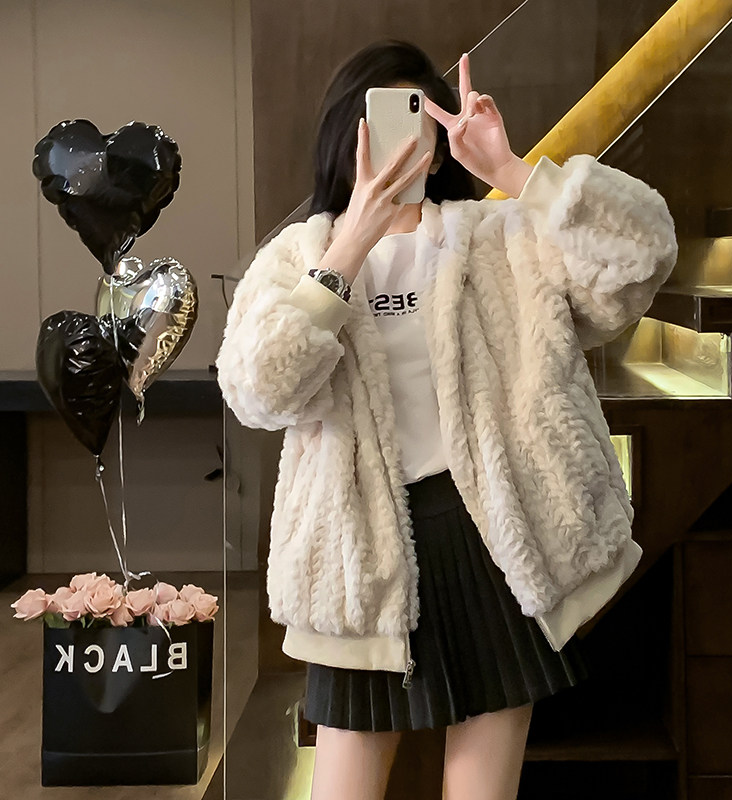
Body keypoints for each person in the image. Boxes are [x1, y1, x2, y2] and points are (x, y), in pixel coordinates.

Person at [216, 39, 678, 800]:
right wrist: (350, 246)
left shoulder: (500, 237)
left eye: (418, 121)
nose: (400, 144)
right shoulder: (296, 258)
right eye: (377, 123)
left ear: (438, 146)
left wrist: (513, 171)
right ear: (344, 141)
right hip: (359, 555)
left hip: (493, 537)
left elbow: (643, 255)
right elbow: (257, 390)